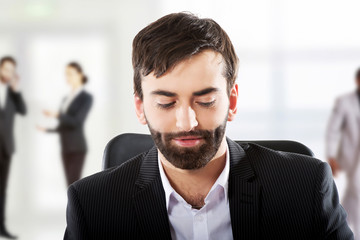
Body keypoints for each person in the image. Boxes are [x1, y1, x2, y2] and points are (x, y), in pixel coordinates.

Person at [64, 13, 353, 239]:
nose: (187, 122)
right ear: (141, 108)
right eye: (166, 103)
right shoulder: (92, 205)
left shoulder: (306, 187)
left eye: (206, 101)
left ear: (232, 102)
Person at [37, 62, 93, 186]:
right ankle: (71, 206)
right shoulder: (65, 98)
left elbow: (76, 122)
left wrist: (56, 114)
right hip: (65, 146)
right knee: (68, 184)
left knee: (74, 184)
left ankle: (75, 206)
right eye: (66, 74)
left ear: (80, 75)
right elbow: (63, 125)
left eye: (71, 74)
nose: (68, 77)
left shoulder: (86, 97)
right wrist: (47, 130)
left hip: (77, 147)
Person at [326, 68, 360, 238]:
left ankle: (340, 224)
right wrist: (331, 156)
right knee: (357, 191)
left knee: (352, 194)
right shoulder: (345, 102)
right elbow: (333, 130)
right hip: (351, 156)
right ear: (358, 81)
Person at [0, 56, 26, 239]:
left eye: (12, 70)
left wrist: (16, 91)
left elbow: (23, 110)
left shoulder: (11, 93)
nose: (8, 73)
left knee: (2, 189)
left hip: (5, 148)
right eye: (6, 69)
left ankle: (1, 227)